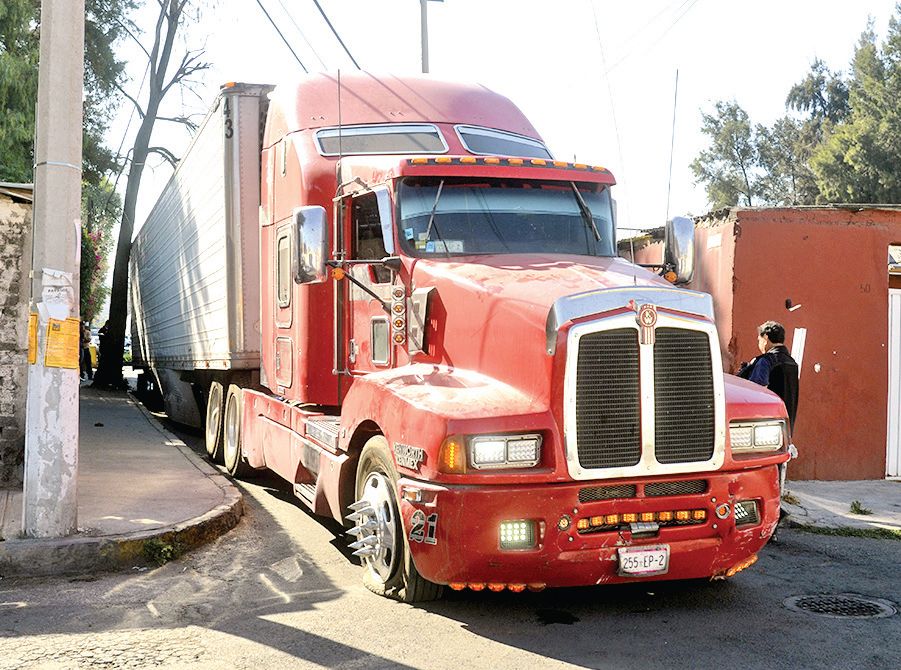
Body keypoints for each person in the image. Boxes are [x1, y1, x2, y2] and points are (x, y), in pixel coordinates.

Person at [737, 320, 799, 434]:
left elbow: (756, 391)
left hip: (764, 427)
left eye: (759, 340)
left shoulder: (766, 361)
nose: (759, 344)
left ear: (765, 338)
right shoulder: (792, 363)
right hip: (785, 426)